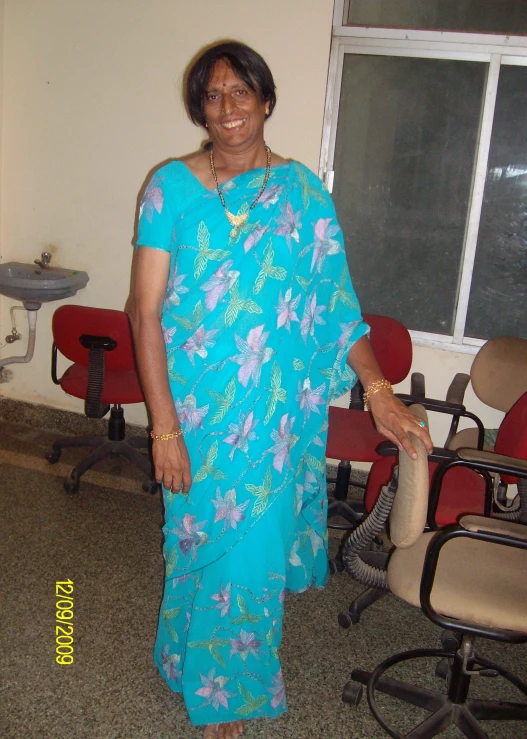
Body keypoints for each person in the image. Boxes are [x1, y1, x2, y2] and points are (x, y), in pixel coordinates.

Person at [129, 41, 433, 739]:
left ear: (266, 101)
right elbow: (144, 312)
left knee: (249, 551)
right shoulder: (168, 188)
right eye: (212, 95)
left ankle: (228, 688)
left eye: (241, 92)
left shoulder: (302, 194)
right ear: (199, 109)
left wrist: (379, 388)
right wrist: (165, 427)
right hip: (197, 411)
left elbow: (335, 306)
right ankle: (183, 655)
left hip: (271, 419)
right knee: (193, 537)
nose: (228, 108)